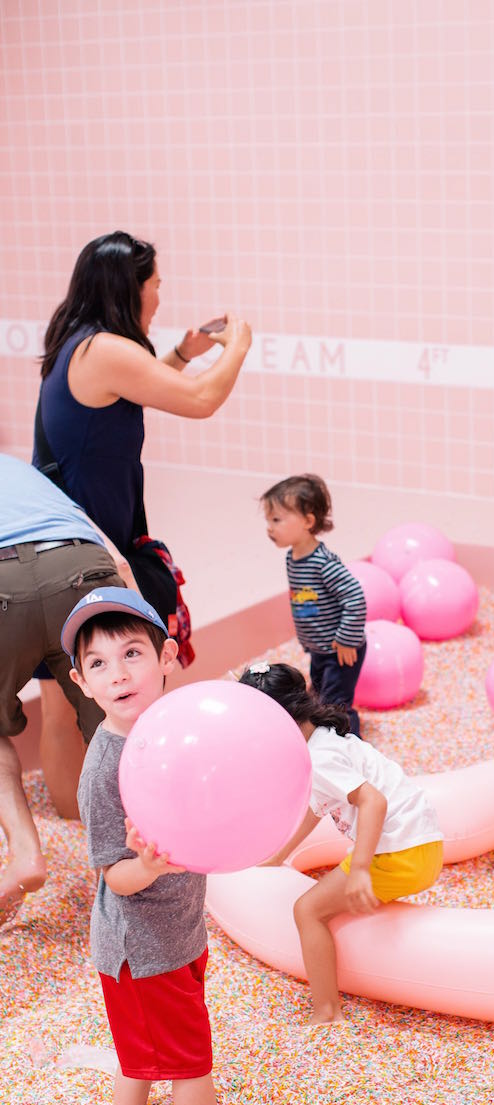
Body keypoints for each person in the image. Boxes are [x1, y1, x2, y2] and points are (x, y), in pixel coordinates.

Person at [32, 229, 252, 810]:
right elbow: (200, 401)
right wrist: (238, 346)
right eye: (155, 284)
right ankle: (133, 812)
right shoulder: (106, 349)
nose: (159, 295)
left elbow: (137, 386)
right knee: (131, 693)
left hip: (56, 543)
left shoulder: (76, 342)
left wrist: (182, 353)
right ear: (129, 289)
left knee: (59, 700)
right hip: (92, 552)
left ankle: (77, 823)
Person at [62, 587, 226, 1105]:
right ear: (81, 682)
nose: (118, 674)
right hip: (141, 949)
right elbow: (115, 877)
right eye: (98, 664)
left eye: (132, 653)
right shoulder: (104, 770)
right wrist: (150, 865)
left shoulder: (171, 733)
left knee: (144, 1049)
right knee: (189, 1061)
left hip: (178, 929)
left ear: (166, 657)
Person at [238, 662, 443, 1025]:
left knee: (307, 911)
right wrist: (280, 854)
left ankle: (326, 1012)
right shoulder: (320, 738)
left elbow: (373, 801)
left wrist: (360, 868)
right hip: (419, 845)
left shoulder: (319, 759)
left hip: (400, 854)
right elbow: (316, 808)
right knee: (318, 902)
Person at [0, 453, 129, 927]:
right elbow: (118, 559)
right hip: (82, 564)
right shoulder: (17, 469)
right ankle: (122, 869)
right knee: (115, 728)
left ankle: (24, 853)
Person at [261, 474, 367, 734]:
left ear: (308, 522)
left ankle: (350, 746)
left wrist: (346, 639)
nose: (269, 528)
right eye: (268, 520)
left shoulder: (323, 563)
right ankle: (322, 738)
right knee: (318, 699)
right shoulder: (293, 557)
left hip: (340, 650)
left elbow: (355, 597)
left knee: (336, 705)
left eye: (276, 520)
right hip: (319, 649)